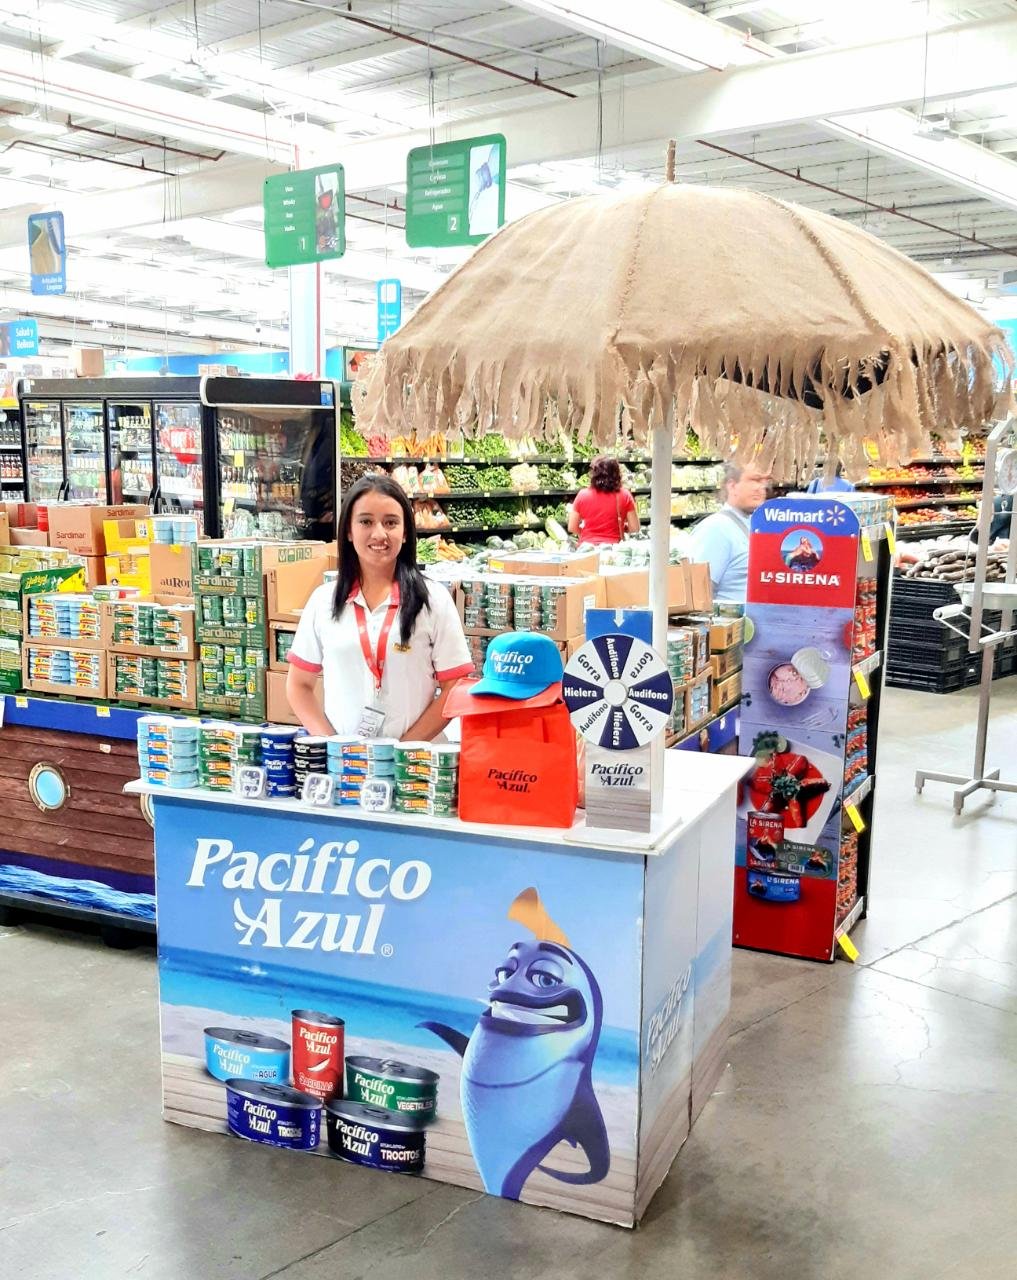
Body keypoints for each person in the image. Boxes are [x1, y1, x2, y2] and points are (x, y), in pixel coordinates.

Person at [286, 474, 474, 740]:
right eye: (366, 522)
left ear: (406, 532)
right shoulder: (324, 602)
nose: (379, 533)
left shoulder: (433, 600)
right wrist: (333, 747)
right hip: (347, 769)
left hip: (414, 767)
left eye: (390, 522)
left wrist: (404, 751)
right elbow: (298, 686)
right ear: (349, 531)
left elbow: (455, 686)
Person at [688, 463, 770, 603]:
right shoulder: (716, 528)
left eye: (764, 481)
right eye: (754, 480)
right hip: (731, 622)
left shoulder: (756, 525)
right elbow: (697, 594)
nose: (760, 487)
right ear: (732, 486)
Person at [567, 455, 639, 545]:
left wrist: (588, 534)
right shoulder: (625, 495)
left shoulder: (582, 495)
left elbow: (572, 527)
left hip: (587, 548)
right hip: (613, 549)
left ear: (594, 474)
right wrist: (623, 527)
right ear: (617, 473)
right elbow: (634, 528)